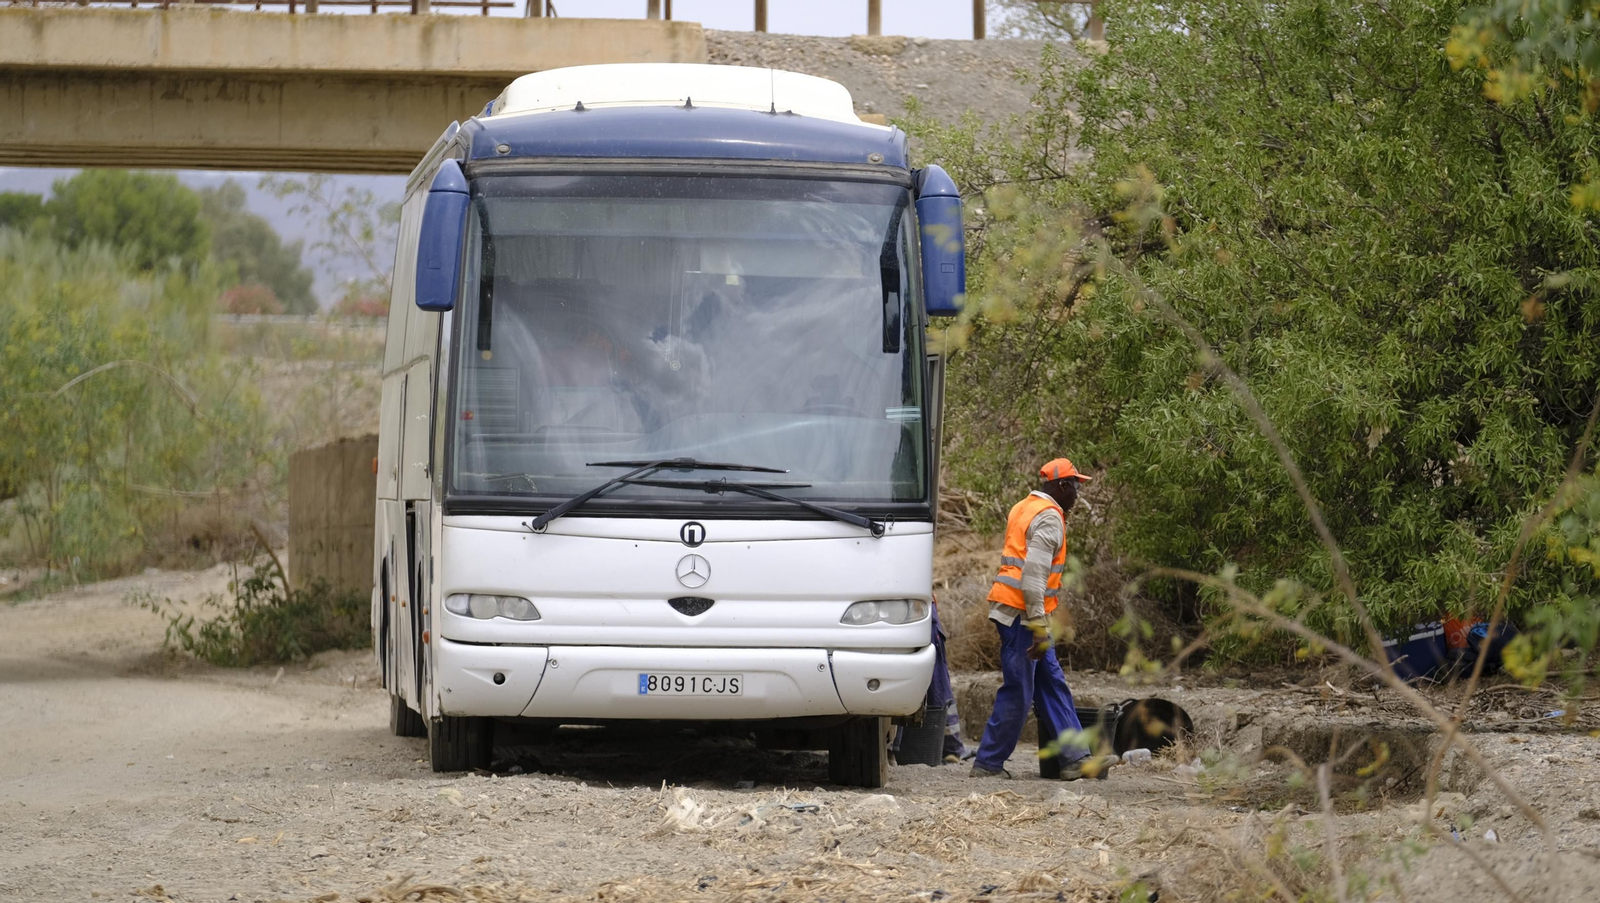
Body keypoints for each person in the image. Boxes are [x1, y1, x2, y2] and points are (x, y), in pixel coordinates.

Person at [971, 458, 1116, 780]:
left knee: (1051, 684)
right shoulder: (1049, 518)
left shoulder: (1024, 506)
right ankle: (987, 763)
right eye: (1076, 488)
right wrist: (1038, 627)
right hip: (1022, 617)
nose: (1079, 495)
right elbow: (1033, 578)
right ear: (1062, 487)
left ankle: (1075, 758)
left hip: (1021, 613)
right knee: (1019, 691)